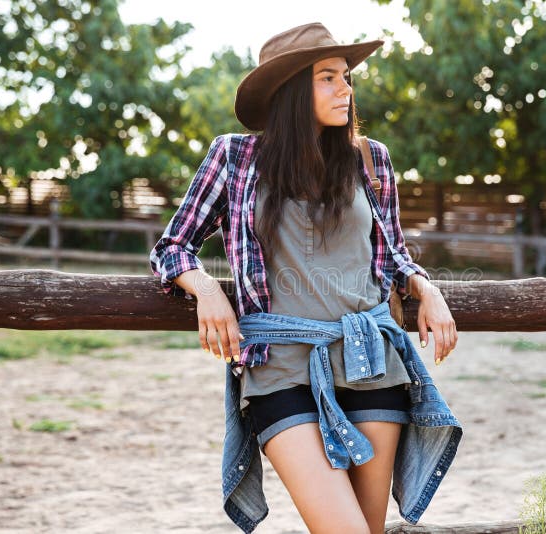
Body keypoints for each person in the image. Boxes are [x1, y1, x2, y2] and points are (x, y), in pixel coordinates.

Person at [150, 22, 462, 534]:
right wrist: (206, 288)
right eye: (328, 77)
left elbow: (392, 254)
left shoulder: (370, 160)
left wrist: (427, 288)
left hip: (369, 358)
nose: (346, 89)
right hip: (278, 365)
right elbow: (173, 246)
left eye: (346, 77)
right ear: (293, 89)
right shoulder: (234, 158)